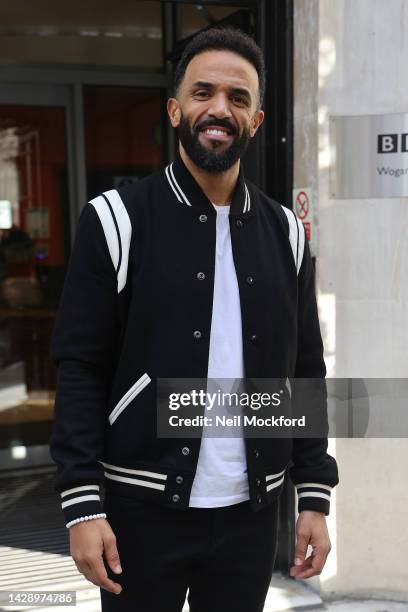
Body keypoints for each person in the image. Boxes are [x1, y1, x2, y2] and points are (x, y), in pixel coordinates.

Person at [49, 26, 339, 612]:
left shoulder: (286, 231)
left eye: (238, 98)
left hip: (252, 516)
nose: (219, 109)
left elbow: (305, 368)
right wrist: (82, 502)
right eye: (203, 92)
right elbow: (80, 366)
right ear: (176, 108)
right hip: (139, 511)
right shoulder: (116, 219)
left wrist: (314, 494)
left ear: (256, 121)